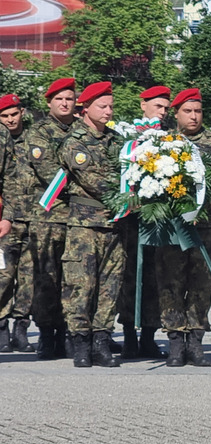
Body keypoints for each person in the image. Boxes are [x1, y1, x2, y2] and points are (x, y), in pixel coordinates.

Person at [154, 88, 211, 367]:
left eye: (198, 111)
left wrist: (197, 207)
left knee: (201, 284)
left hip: (205, 226)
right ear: (176, 114)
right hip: (172, 228)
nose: (194, 116)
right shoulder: (163, 142)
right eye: (188, 111)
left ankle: (196, 342)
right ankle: (175, 341)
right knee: (170, 283)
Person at [58, 81, 124, 368]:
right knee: (81, 286)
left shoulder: (118, 141)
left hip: (115, 225)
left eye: (110, 106)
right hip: (84, 226)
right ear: (86, 108)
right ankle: (81, 342)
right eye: (102, 106)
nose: (108, 111)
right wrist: (129, 192)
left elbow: (131, 169)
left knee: (110, 286)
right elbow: (94, 181)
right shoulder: (75, 142)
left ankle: (101, 340)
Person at [115, 85, 172, 359]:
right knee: (129, 278)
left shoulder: (172, 140)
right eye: (157, 106)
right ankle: (128, 337)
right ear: (144, 105)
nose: (162, 111)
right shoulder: (125, 138)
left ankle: (149, 337)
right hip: (130, 220)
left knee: (154, 278)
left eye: (165, 107)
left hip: (159, 220)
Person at [26, 77, 77, 359]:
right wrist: (87, 182)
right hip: (48, 217)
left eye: (69, 98)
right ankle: (47, 335)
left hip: (79, 218)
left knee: (75, 280)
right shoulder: (40, 133)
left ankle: (70, 333)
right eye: (59, 99)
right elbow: (50, 173)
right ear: (49, 103)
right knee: (47, 279)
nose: (65, 103)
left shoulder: (83, 131)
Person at [0, 94, 37, 353]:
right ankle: (1, 327)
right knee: (3, 275)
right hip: (6, 219)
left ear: (22, 112)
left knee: (29, 276)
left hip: (33, 217)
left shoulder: (34, 139)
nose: (10, 120)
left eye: (14, 114)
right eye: (4, 116)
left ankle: (21, 328)